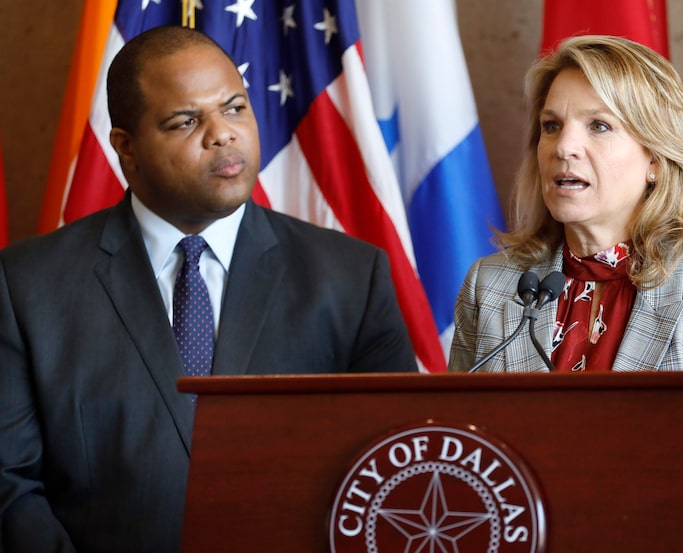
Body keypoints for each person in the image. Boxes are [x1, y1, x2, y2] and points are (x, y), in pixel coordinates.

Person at [0, 26, 417, 553]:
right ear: (125, 148)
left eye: (235, 107)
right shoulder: (26, 286)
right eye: (186, 121)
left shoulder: (351, 278)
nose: (222, 134)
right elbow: (10, 485)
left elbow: (391, 470)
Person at [448, 35, 683, 528]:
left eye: (598, 126)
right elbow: (457, 465)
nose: (564, 147)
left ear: (655, 161)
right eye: (551, 126)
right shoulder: (490, 286)